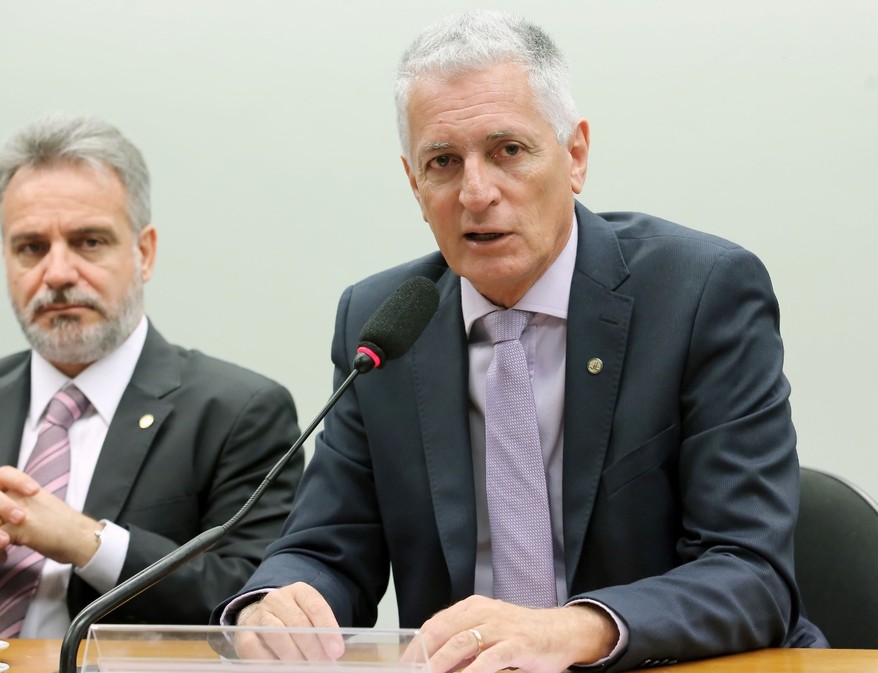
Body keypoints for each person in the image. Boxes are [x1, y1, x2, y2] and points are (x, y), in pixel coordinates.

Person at [217, 9, 828, 671]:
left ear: (575, 156)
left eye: (508, 150)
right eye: (443, 163)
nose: (477, 193)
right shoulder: (385, 323)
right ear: (414, 186)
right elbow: (326, 549)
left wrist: (577, 629)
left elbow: (751, 572)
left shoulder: (700, 294)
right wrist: (275, 602)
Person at [0, 114, 304, 639]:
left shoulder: (239, 412)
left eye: (89, 242)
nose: (57, 274)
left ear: (144, 253)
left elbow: (253, 601)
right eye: (31, 248)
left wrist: (88, 542)